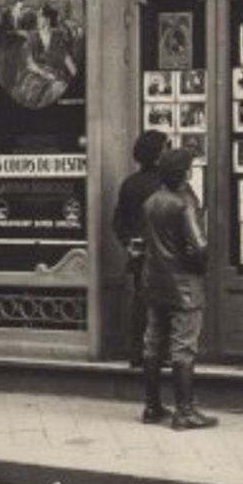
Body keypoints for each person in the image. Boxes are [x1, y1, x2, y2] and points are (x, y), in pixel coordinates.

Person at [138, 145, 216, 431]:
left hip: (154, 283)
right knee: (183, 348)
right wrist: (200, 267)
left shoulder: (150, 201)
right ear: (184, 173)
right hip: (183, 285)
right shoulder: (184, 202)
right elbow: (199, 246)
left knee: (152, 345)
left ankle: (152, 407)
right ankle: (184, 411)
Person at [110, 129, 171, 372]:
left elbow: (118, 221)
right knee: (164, 304)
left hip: (139, 255)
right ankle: (159, 354)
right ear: (157, 154)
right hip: (163, 254)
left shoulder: (130, 183)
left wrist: (129, 243)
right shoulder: (165, 184)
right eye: (166, 147)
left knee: (141, 303)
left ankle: (138, 353)